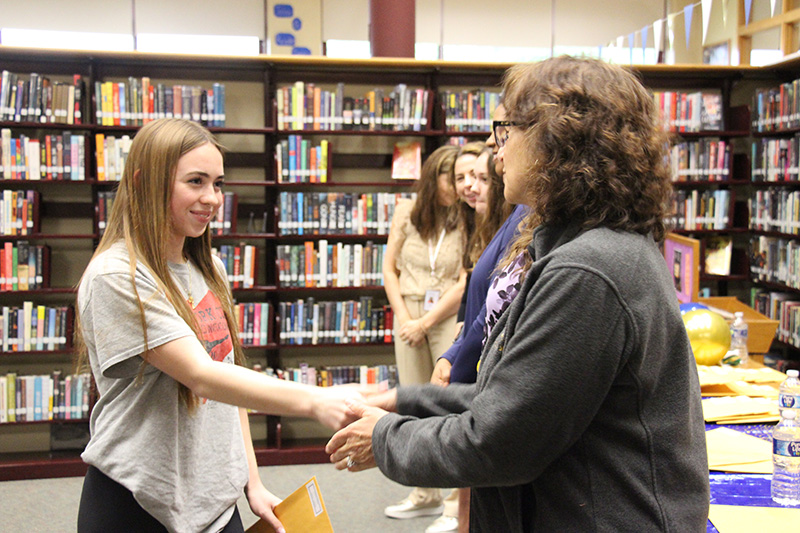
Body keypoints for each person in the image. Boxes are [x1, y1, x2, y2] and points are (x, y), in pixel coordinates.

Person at [327, 57, 710, 532]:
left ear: (559, 141)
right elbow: (518, 399)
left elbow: (501, 442)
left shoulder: (587, 270)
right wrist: (407, 402)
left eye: (506, 131)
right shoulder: (580, 247)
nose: (495, 153)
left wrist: (385, 437)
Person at [74, 118, 362, 533]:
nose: (211, 198)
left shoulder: (210, 271)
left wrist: (252, 480)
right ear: (143, 182)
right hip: (137, 499)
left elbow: (226, 380)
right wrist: (315, 401)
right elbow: (202, 376)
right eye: (195, 182)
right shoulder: (117, 276)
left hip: (213, 499)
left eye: (218, 183)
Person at [381, 144, 466, 521]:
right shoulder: (406, 212)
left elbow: (466, 278)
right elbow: (389, 269)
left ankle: (453, 502)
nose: (461, 186)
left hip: (445, 314)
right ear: (434, 178)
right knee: (413, 404)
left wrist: (426, 322)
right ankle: (424, 492)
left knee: (446, 403)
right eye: (454, 178)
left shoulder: (466, 216)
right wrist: (404, 318)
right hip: (409, 312)